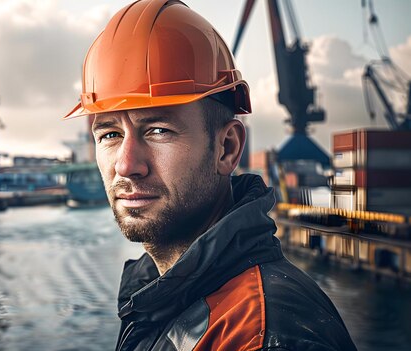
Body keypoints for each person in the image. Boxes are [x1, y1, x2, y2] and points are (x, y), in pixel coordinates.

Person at [63, 0, 357, 350]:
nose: (126, 165)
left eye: (158, 130)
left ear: (227, 148)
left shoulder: (263, 333)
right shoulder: (160, 294)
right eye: (110, 134)